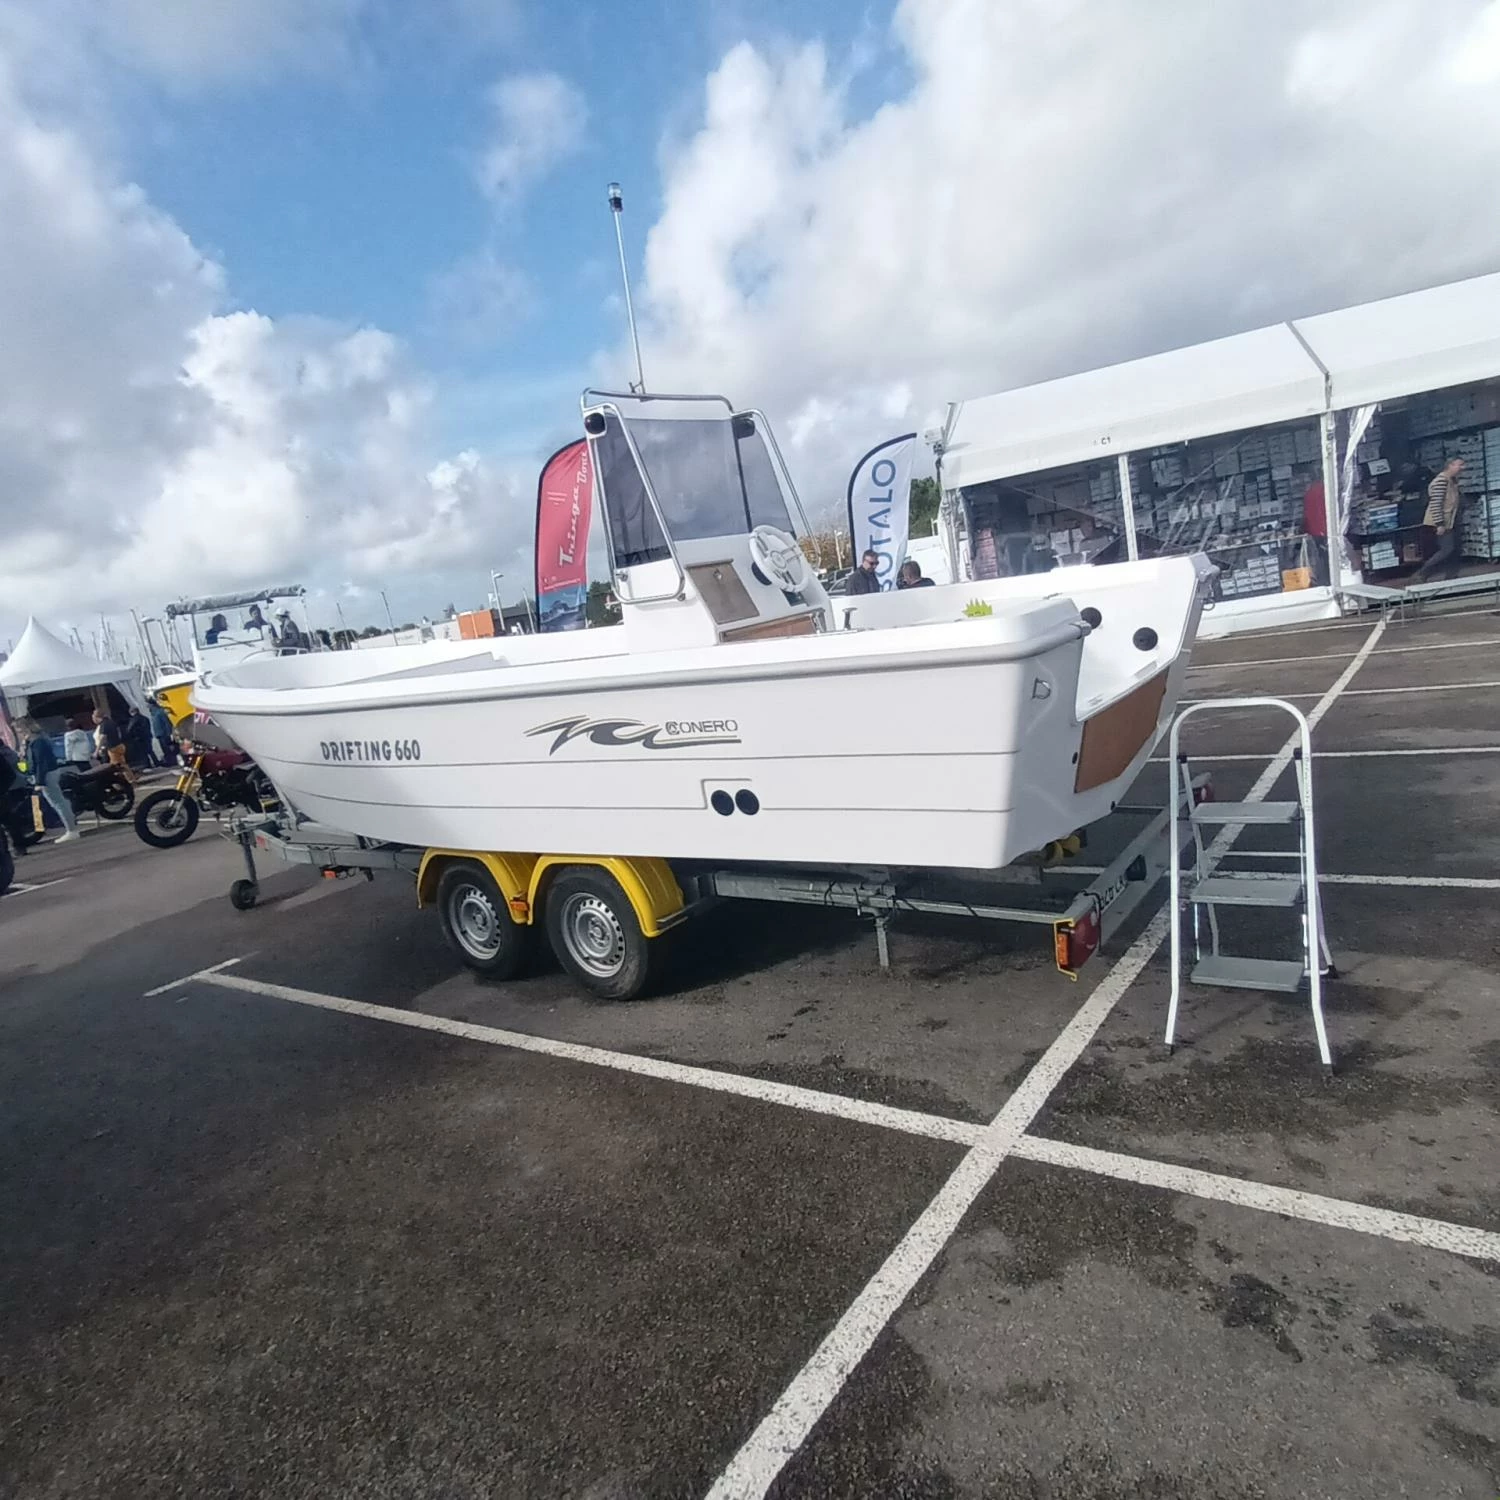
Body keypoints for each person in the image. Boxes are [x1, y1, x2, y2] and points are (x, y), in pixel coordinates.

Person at [1412, 458, 1467, 583]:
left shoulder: (1452, 481)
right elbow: (1436, 503)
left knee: (1455, 549)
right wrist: (1439, 524)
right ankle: (1423, 572)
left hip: (1451, 520)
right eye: (1460, 465)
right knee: (1447, 549)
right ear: (1450, 465)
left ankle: (1451, 575)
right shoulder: (1441, 481)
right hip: (1443, 521)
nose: (1463, 468)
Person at [22, 723, 79, 841]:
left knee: (58, 803)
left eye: (19, 730)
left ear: (27, 730)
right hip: (50, 772)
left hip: (47, 774)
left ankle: (71, 830)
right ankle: (71, 827)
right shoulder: (40, 740)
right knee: (59, 802)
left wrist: (39, 782)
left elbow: (40, 763)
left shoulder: (37, 742)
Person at [95, 707, 136, 783]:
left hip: (113, 747)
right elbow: (119, 733)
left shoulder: (103, 725)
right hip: (119, 745)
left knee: (118, 766)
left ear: (97, 717)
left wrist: (97, 751)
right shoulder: (111, 722)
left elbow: (102, 738)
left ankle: (130, 780)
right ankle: (124, 780)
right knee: (119, 764)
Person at [1302, 477, 1329, 585]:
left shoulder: (1308, 493)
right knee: (1328, 555)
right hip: (1324, 529)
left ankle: (1325, 579)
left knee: (1321, 555)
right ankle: (1329, 579)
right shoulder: (1324, 490)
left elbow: (1307, 514)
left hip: (1315, 530)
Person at [149, 698, 177, 767]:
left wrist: (169, 733)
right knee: (164, 749)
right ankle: (168, 761)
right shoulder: (154, 714)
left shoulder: (160, 712)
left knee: (167, 748)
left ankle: (172, 761)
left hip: (164, 733)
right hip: (159, 734)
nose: (148, 707)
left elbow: (166, 723)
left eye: (149, 705)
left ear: (152, 705)